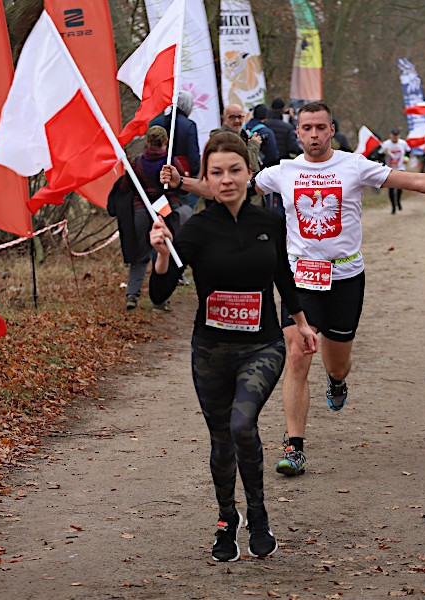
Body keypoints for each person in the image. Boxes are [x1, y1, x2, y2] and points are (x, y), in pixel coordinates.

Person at [161, 102, 425, 477]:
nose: (314, 134)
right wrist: (182, 182)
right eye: (307, 128)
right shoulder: (283, 172)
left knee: (337, 362)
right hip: (301, 279)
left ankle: (336, 381)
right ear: (298, 132)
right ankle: (294, 446)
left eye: (321, 127)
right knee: (297, 354)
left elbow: (412, 180)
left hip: (346, 277)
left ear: (331, 130)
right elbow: (225, 188)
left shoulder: (354, 166)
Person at [149, 132, 319, 562]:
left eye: (235, 170)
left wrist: (301, 323)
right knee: (221, 439)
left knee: (243, 425)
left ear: (249, 173)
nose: (226, 180)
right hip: (211, 351)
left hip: (262, 345)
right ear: (205, 179)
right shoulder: (196, 229)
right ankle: (228, 517)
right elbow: (159, 293)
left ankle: (258, 515)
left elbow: (283, 276)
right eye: (217, 172)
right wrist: (162, 255)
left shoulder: (269, 222)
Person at [119, 126, 183, 311]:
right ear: (166, 141)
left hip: (140, 210)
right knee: (164, 252)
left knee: (140, 255)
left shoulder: (136, 162)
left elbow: (126, 187)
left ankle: (132, 294)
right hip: (165, 211)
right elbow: (181, 184)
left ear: (147, 141)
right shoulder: (171, 162)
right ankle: (161, 298)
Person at [150, 91, 201, 220]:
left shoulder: (157, 122)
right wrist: (195, 174)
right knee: (184, 210)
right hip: (182, 175)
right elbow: (193, 156)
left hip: (157, 175)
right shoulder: (189, 126)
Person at [379, 128, 409, 214]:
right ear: (391, 135)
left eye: (396, 136)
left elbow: (408, 152)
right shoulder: (386, 144)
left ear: (399, 136)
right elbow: (379, 155)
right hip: (390, 168)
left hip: (400, 167)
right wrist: (384, 153)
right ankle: (393, 206)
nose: (395, 138)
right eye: (393, 136)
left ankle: (398, 201)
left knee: (400, 186)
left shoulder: (403, 143)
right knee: (391, 188)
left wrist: (406, 158)